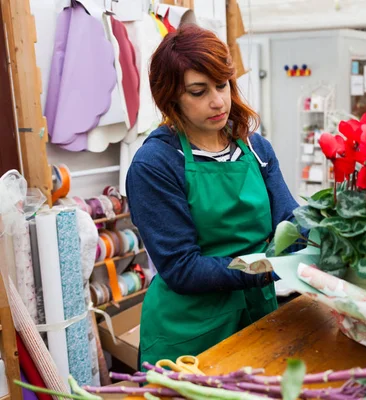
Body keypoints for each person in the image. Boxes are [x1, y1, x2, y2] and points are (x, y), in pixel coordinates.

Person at [126, 25, 300, 366]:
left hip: (256, 314)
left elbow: (290, 221)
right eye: (198, 91)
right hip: (190, 333)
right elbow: (182, 267)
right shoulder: (156, 164)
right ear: (171, 96)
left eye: (222, 85)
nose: (218, 101)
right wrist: (274, 268)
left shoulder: (254, 147)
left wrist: (329, 237)